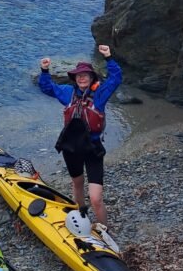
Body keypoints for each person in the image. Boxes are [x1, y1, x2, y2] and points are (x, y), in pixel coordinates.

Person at [38, 47, 122, 230]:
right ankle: (81, 215)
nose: (82, 78)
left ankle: (103, 230)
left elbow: (116, 79)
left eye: (86, 75)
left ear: (92, 78)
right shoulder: (68, 93)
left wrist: (108, 57)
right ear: (74, 78)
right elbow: (46, 87)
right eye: (79, 75)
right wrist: (45, 71)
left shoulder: (99, 95)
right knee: (77, 183)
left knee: (96, 198)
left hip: (92, 148)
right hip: (71, 147)